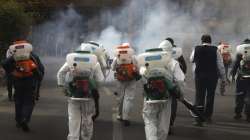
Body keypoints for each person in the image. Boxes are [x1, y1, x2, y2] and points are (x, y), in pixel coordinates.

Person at [137, 47, 185, 140]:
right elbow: (180, 80)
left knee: (150, 122)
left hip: (149, 98)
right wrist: (180, 94)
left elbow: (141, 79)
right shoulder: (171, 62)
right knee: (163, 125)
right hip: (166, 98)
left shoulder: (143, 63)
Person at [57, 49, 104, 140]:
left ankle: (73, 138)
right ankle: (86, 137)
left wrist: (62, 87)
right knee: (87, 118)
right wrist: (95, 88)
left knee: (73, 118)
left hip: (73, 95)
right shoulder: (95, 63)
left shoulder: (71, 61)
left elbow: (60, 73)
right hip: (88, 96)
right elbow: (100, 80)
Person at [1, 40, 43, 132]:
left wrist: (11, 71)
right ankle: (25, 119)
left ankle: (18, 120)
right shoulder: (32, 57)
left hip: (17, 82)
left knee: (18, 101)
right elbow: (39, 72)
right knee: (29, 102)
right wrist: (39, 81)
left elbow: (4, 64)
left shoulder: (14, 57)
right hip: (29, 82)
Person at [190, 34, 226, 125]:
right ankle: (208, 116)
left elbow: (191, 59)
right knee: (210, 96)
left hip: (199, 76)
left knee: (199, 96)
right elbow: (220, 65)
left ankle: (199, 117)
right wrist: (223, 78)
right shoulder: (215, 50)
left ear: (201, 41)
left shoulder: (196, 48)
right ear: (210, 41)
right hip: (212, 76)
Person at [158, 37, 187, 134]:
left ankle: (157, 126)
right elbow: (184, 66)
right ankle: (169, 125)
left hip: (158, 85)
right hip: (172, 85)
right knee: (172, 105)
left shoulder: (157, 54)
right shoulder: (177, 52)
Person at [76, 41, 111, 120]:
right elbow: (105, 66)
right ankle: (93, 113)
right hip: (92, 78)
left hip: (79, 77)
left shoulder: (82, 50)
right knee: (94, 95)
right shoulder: (99, 54)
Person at [111, 43, 140, 126]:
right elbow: (138, 68)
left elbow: (112, 68)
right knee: (128, 98)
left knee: (120, 98)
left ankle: (119, 115)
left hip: (120, 80)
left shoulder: (117, 57)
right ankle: (126, 117)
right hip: (131, 80)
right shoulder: (133, 57)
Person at [230, 38, 250, 122]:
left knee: (239, 96)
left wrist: (232, 75)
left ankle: (238, 113)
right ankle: (248, 115)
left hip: (241, 78)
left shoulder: (239, 50)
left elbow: (236, 64)